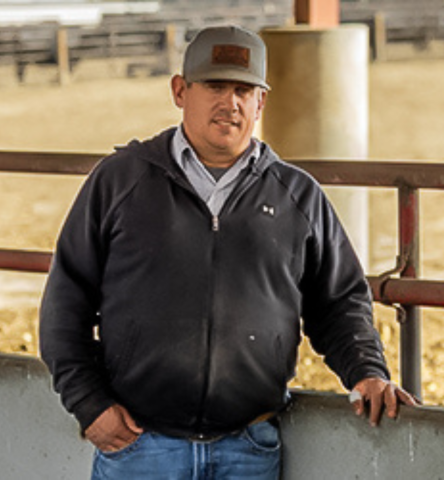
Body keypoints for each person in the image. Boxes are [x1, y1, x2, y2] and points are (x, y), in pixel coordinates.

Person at [39, 25, 417, 479]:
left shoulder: (297, 196)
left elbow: (338, 302)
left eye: (244, 89)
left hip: (249, 447)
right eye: (215, 86)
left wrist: (367, 372)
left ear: (261, 102)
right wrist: (89, 405)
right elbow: (66, 302)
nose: (230, 102)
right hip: (141, 446)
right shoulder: (120, 181)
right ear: (181, 90)